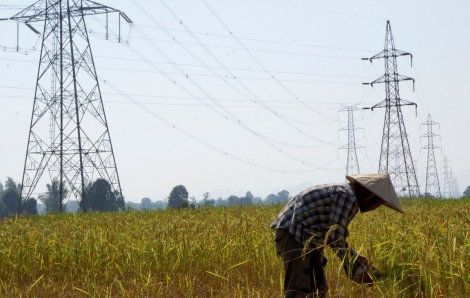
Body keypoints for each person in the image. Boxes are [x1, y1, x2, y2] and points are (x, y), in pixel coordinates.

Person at [271, 174, 403, 298]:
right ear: (370, 195)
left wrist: (357, 258)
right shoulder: (347, 197)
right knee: (298, 290)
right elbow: (334, 237)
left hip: (307, 239)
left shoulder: (346, 194)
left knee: (319, 289)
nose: (374, 208)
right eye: (377, 203)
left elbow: (334, 235)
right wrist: (357, 270)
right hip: (293, 234)